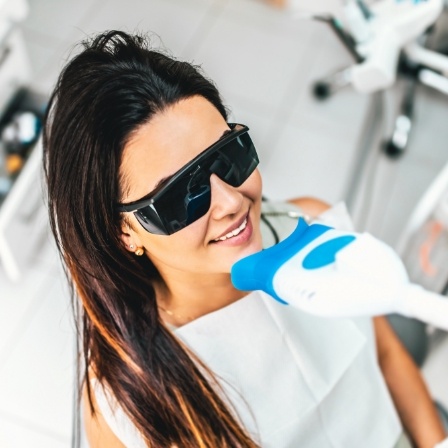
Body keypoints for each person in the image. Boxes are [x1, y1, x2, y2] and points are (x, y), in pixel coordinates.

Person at [43, 30, 446, 448]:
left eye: (227, 156)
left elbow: (386, 356)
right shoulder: (125, 402)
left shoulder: (308, 221)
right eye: (182, 194)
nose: (232, 202)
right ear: (124, 231)